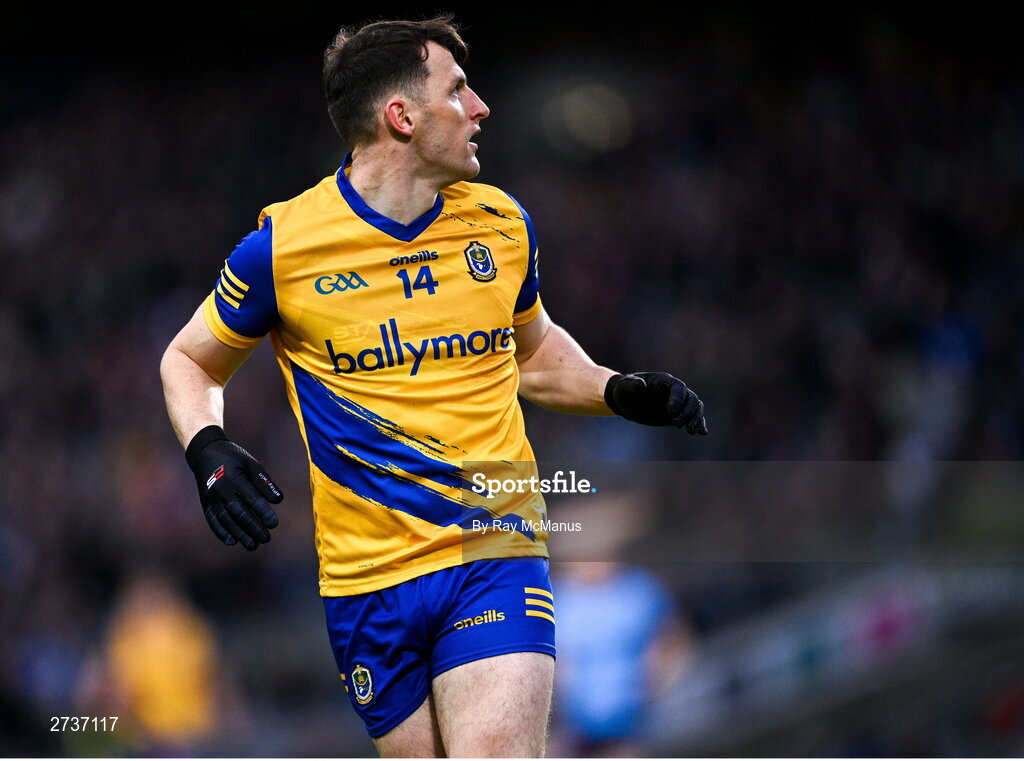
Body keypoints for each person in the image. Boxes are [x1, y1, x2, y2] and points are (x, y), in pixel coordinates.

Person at [159, 15, 707, 757]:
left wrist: (616, 389)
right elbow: (189, 361)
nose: (480, 107)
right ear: (402, 116)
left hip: (493, 553)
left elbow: (535, 350)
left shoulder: (501, 225)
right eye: (458, 89)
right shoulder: (283, 248)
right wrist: (209, 448)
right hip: (366, 584)